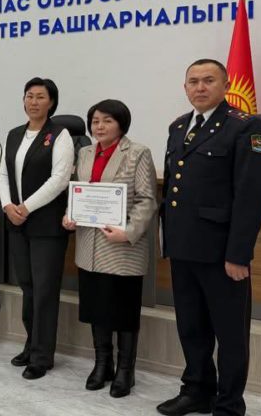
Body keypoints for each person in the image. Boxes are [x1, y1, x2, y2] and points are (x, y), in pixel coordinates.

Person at [156, 59, 261, 416]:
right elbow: (174, 189)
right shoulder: (179, 126)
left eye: (208, 80)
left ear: (225, 85)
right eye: (193, 81)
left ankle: (229, 404)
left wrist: (239, 254)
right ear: (185, 87)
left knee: (230, 334)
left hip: (221, 252)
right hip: (183, 247)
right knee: (191, 327)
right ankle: (197, 391)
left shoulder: (245, 127)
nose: (200, 87)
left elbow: (252, 197)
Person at [62, 99, 157, 397]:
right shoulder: (85, 152)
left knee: (124, 310)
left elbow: (147, 199)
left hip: (122, 246)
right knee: (96, 308)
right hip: (90, 244)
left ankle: (126, 371)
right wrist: (70, 215)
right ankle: (102, 364)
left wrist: (128, 232)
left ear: (121, 124)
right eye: (95, 121)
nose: (99, 126)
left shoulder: (138, 152)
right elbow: (79, 192)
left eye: (107, 121)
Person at [0, 77, 73, 380]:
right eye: (29, 96)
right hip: (17, 223)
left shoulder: (61, 134)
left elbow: (59, 179)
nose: (33, 102)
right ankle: (31, 344)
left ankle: (43, 356)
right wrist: (8, 206)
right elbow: (3, 174)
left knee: (44, 291)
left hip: (46, 226)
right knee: (28, 287)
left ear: (51, 102)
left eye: (40, 97)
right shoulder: (14, 134)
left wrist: (25, 207)